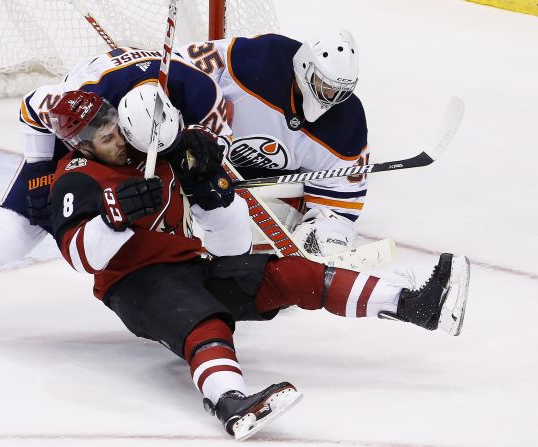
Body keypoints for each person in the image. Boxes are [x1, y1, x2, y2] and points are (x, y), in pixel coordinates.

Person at [47, 90, 471, 440]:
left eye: (115, 128)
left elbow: (225, 236)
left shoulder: (150, 146)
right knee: (204, 321)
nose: (118, 140)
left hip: (192, 265)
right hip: (135, 285)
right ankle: (230, 402)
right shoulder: (76, 180)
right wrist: (113, 218)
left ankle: (416, 304)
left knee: (293, 273)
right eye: (105, 138)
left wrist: (212, 187)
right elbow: (82, 257)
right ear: (82, 146)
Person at [0, 47, 253, 337]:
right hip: (82, 136)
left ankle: (235, 283)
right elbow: (33, 107)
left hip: (167, 139)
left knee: (222, 205)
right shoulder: (86, 100)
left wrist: (207, 144)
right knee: (14, 231)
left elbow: (220, 128)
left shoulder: (197, 91)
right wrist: (39, 171)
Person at [180, 29, 373, 257]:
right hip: (200, 163)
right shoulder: (252, 61)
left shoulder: (348, 122)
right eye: (324, 84)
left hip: (274, 193)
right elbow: (179, 68)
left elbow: (338, 201)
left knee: (324, 238)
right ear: (304, 66)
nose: (330, 96)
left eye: (340, 91)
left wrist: (328, 230)